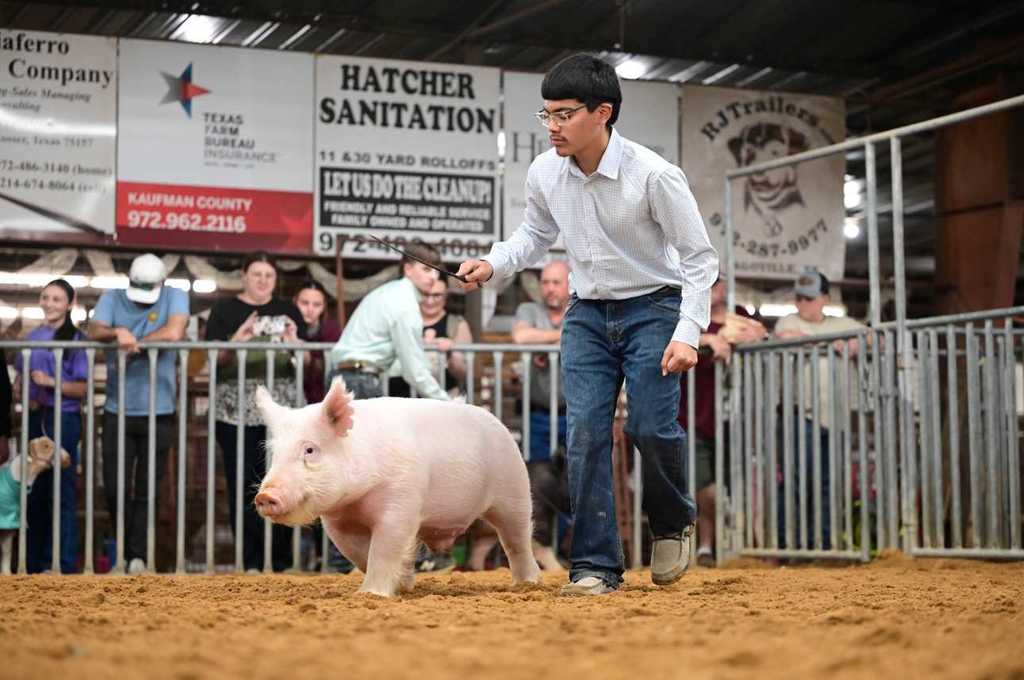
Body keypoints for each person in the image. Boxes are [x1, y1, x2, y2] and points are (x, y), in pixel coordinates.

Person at [457, 54, 718, 595]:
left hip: (655, 309)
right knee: (584, 435)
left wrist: (688, 332)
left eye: (563, 115)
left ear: (603, 113)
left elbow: (698, 258)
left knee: (648, 425)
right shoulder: (544, 172)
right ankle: (595, 566)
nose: (551, 126)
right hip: (587, 315)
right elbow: (533, 235)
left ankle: (671, 522)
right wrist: (495, 263)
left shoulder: (655, 176)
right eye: (546, 115)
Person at [205, 252, 305, 573]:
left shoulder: (288, 310)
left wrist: (294, 343)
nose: (262, 280)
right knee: (244, 484)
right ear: (244, 276)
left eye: (269, 275)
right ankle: (250, 561)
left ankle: (282, 560)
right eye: (257, 274)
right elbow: (212, 361)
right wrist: (237, 339)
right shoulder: (224, 310)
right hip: (235, 411)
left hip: (283, 410)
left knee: (285, 482)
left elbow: (306, 361)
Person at [90, 254, 189, 574]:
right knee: (114, 486)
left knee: (148, 487)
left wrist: (138, 342)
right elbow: (94, 329)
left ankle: (136, 556)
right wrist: (116, 332)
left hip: (159, 410)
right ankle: (121, 550)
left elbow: (174, 332)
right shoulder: (113, 297)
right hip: (117, 408)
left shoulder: (175, 295)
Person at [773, 268, 865, 550]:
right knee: (798, 480)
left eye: (809, 299)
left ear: (825, 298)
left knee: (828, 482)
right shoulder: (788, 320)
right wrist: (833, 343)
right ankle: (791, 544)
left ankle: (824, 543)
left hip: (835, 417)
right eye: (799, 298)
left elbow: (876, 337)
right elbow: (785, 336)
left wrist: (853, 343)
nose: (803, 304)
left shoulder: (842, 323)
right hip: (801, 413)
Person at [677, 276, 765, 566]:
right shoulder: (689, 314)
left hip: (734, 418)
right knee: (705, 487)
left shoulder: (739, 317)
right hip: (694, 413)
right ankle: (706, 545)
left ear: (724, 286)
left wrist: (751, 334)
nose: (711, 289)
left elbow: (763, 336)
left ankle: (745, 545)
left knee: (737, 483)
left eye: (716, 283)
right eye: (706, 283)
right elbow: (668, 334)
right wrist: (708, 339)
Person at [12, 279, 88, 573]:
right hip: (35, 417)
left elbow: (81, 388)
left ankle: (63, 564)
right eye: (46, 297)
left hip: (64, 420)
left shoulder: (77, 341)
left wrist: (50, 383)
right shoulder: (33, 336)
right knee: (34, 490)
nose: (49, 303)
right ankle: (31, 564)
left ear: (70, 304)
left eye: (57, 299)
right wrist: (22, 392)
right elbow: (20, 377)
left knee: (63, 491)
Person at [329, 242, 450, 402]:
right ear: (408, 269)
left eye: (436, 270)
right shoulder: (405, 304)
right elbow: (414, 371)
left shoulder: (390, 291)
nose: (434, 276)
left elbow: (401, 364)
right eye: (427, 269)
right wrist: (449, 403)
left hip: (344, 375)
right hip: (360, 380)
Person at [512, 260, 572, 571]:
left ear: (569, 285)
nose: (549, 288)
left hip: (575, 413)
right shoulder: (529, 310)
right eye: (545, 282)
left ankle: (563, 548)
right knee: (537, 480)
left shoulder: (581, 309)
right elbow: (521, 337)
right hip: (537, 413)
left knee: (571, 481)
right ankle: (541, 548)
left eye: (555, 282)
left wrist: (546, 340)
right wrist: (562, 339)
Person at [388, 275, 472, 398]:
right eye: (425, 294)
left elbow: (464, 372)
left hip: (440, 400)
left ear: (446, 296)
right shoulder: (400, 319)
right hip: (400, 398)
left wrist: (452, 353)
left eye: (436, 295)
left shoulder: (457, 324)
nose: (430, 301)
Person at [294, 280, 342, 406]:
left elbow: (333, 367)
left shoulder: (331, 329)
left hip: (320, 402)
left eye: (316, 305)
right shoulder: (284, 326)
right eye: (304, 303)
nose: (310, 309)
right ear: (295, 302)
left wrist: (309, 358)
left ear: (324, 306)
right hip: (289, 400)